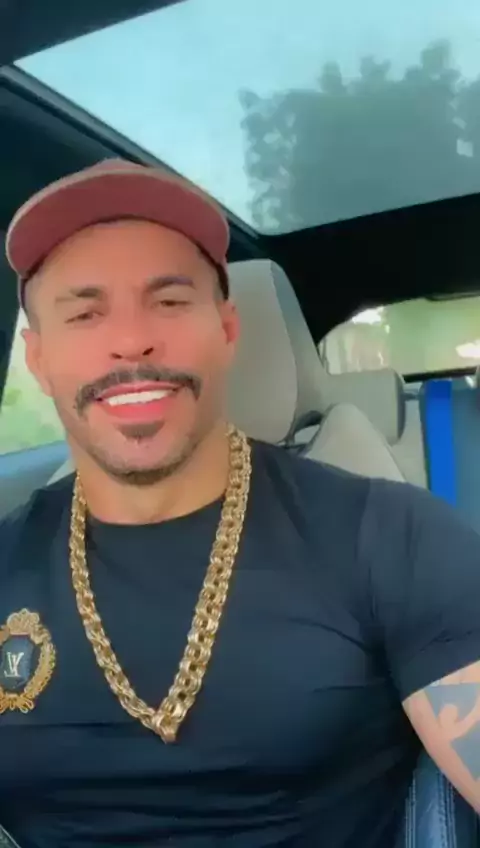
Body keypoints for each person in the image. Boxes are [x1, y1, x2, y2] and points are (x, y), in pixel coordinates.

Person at [1, 159, 480, 848]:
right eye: (85, 313)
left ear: (227, 330)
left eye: (169, 302)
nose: (131, 340)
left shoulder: (390, 537)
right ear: (39, 358)